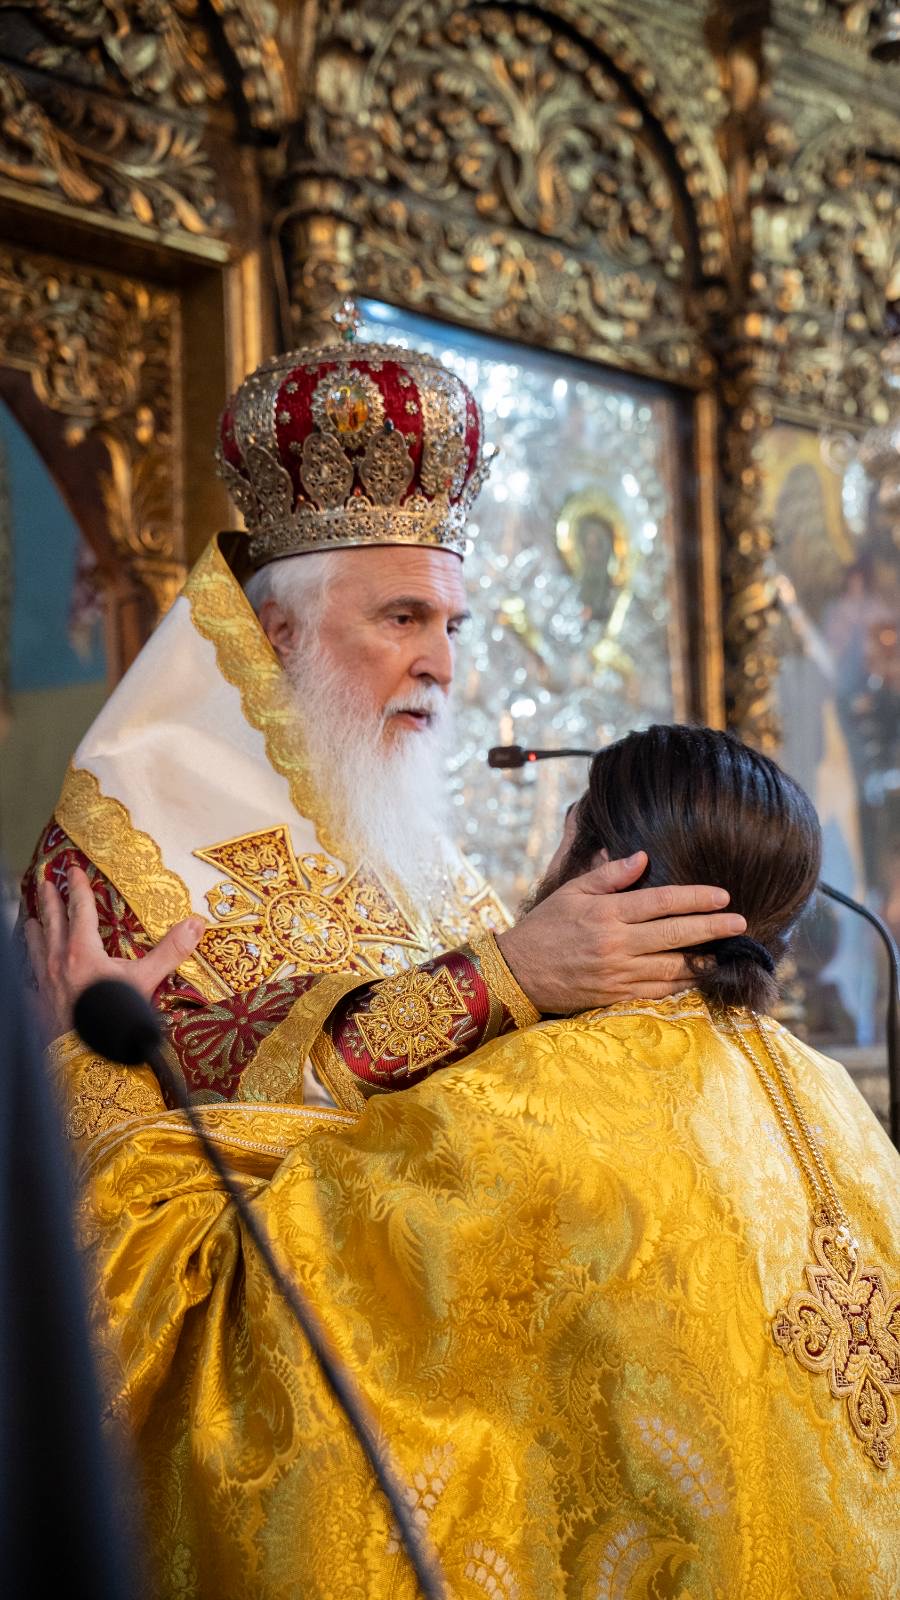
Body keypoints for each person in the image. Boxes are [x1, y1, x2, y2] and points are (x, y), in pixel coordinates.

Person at [28, 725, 900, 1598]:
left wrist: (84, 1058)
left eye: (567, 825)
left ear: (600, 870)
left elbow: (209, 1310)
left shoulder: (517, 1114)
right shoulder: (839, 1110)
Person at [21, 307, 742, 1106]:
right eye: (403, 619)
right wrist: (507, 974)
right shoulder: (121, 835)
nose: (441, 665)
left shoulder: (406, 841)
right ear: (281, 631)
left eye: (452, 626)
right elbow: (130, 1104)